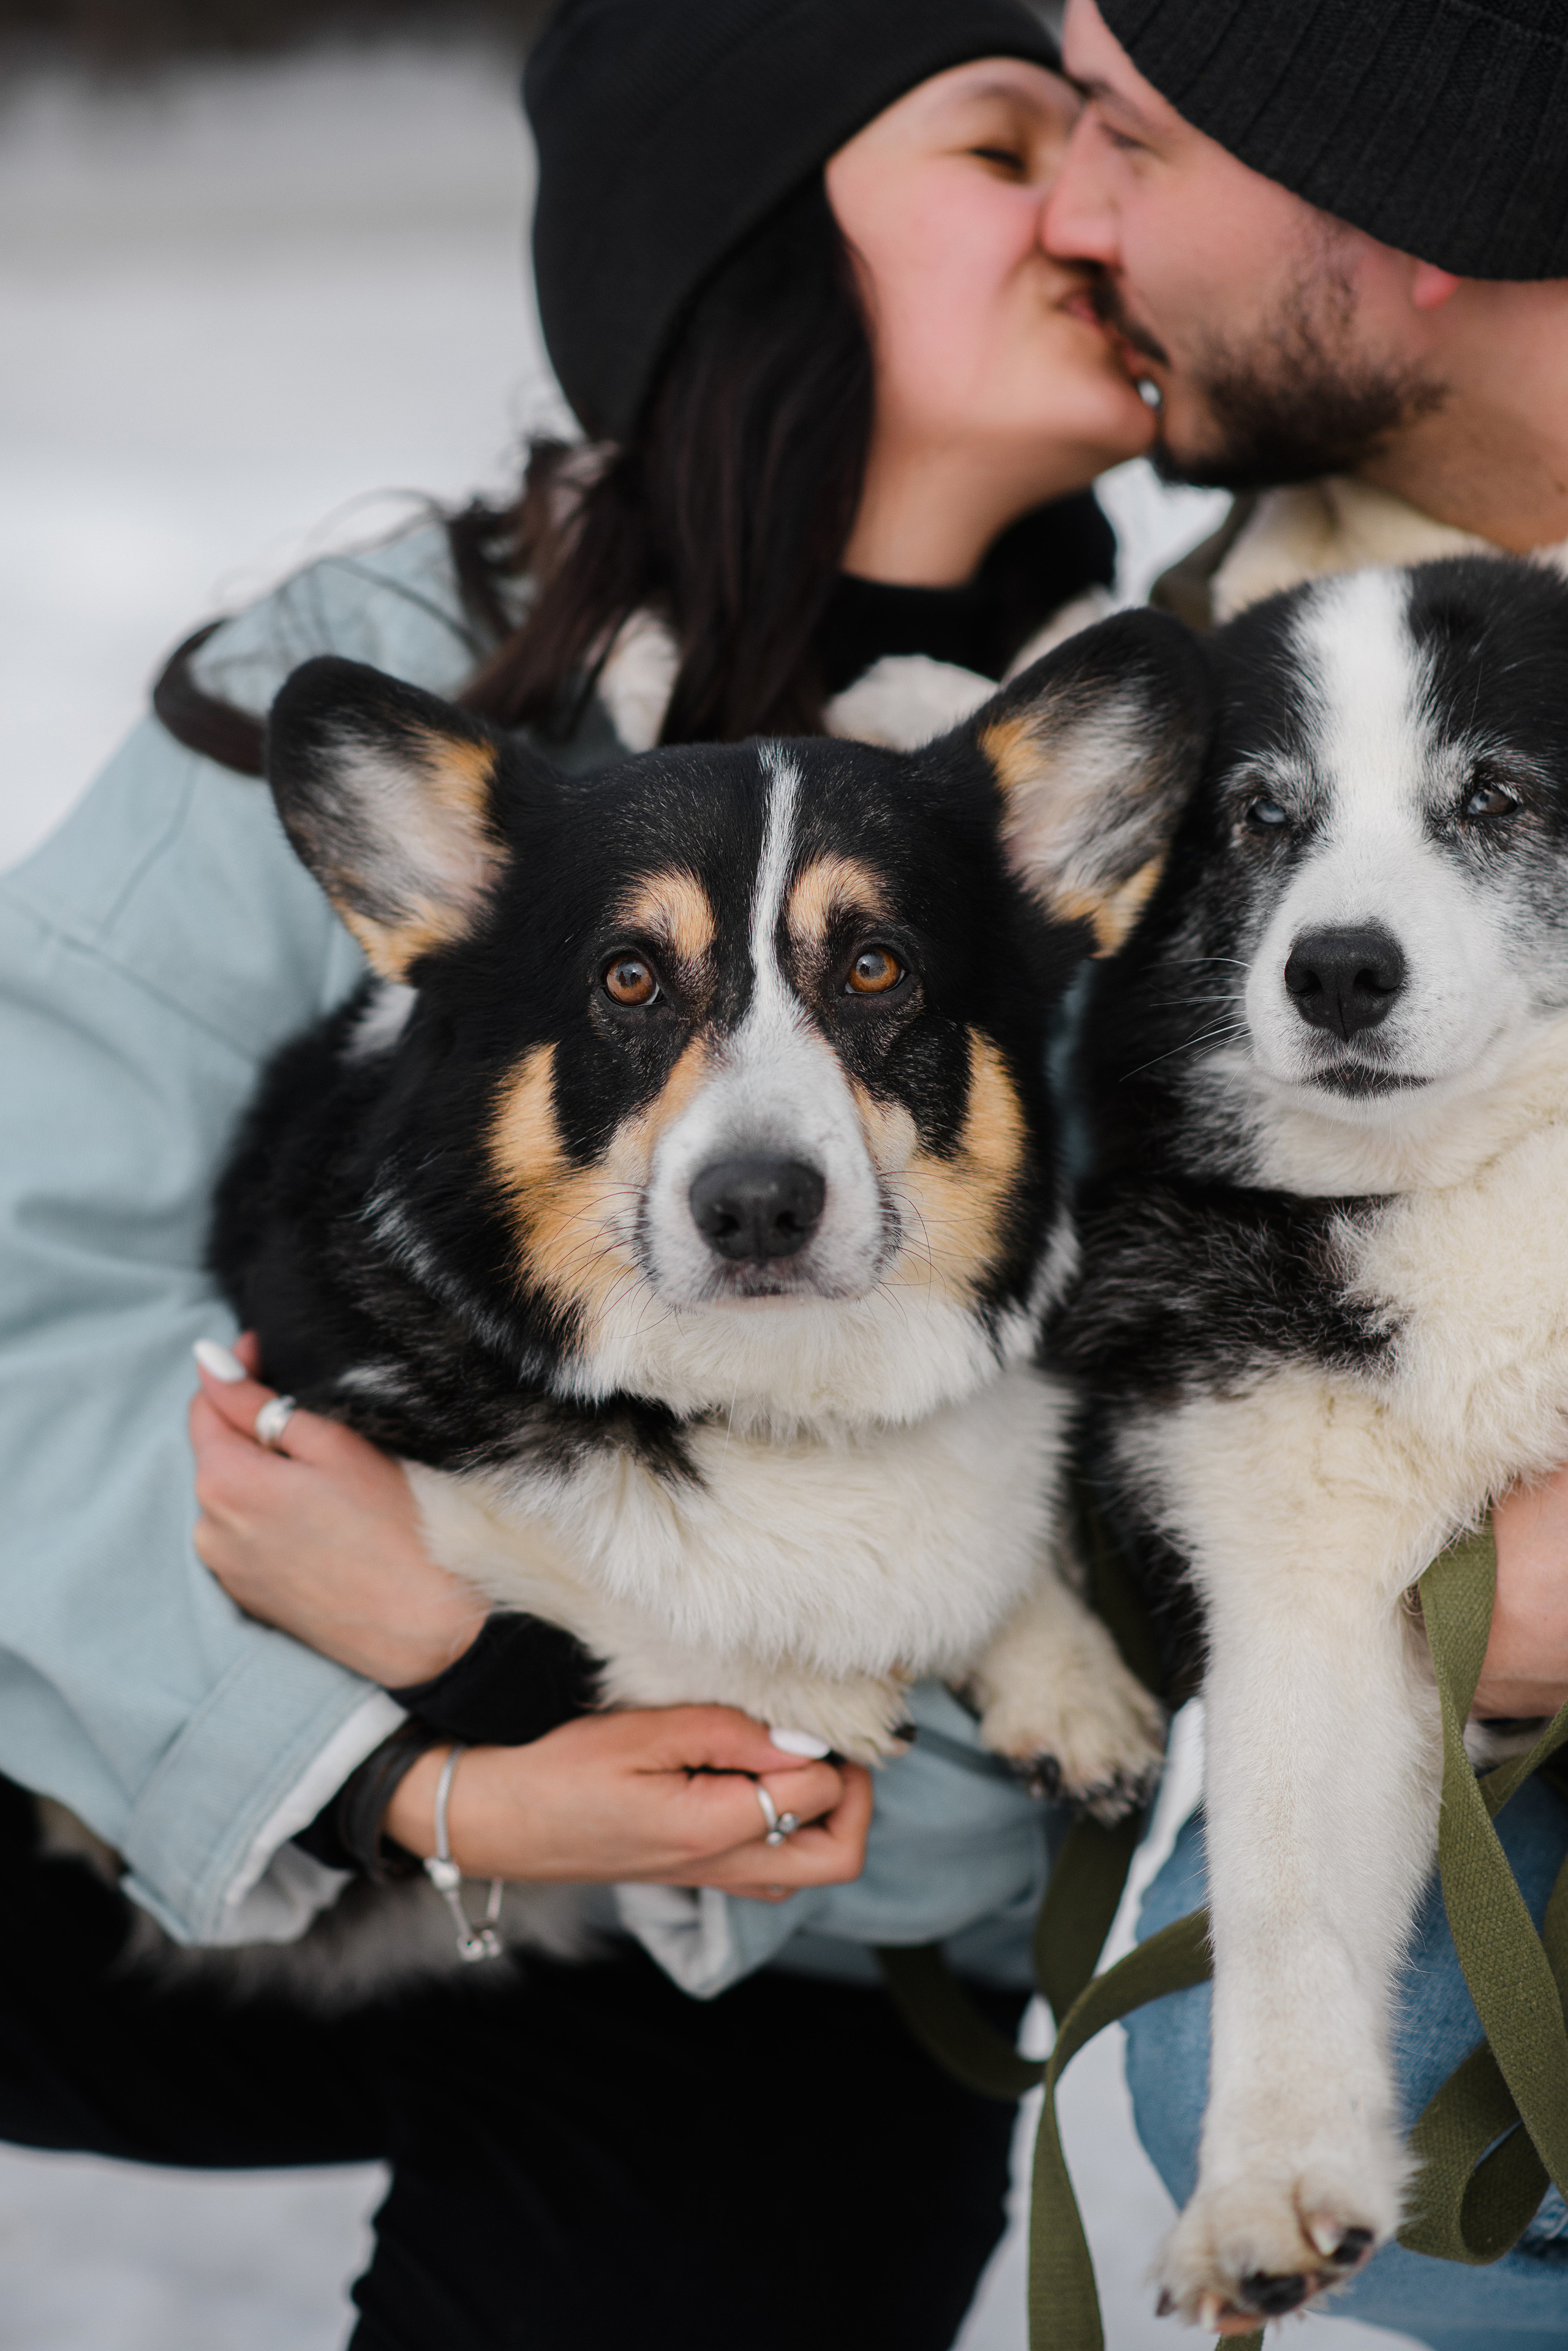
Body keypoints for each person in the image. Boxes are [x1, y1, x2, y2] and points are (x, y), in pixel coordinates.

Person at [0, 4, 1161, 2345]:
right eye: (1005, 143)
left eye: (1120, 144)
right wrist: (404, 1767)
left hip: (783, 1951)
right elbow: (21, 1295)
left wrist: (530, 1692)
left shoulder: (1158, 813)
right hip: (192, 1796)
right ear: (749, 238)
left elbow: (1073, 1708)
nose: (1101, 208)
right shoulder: (395, 664)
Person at [1038, 5, 1568, 2343]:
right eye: (1276, 836)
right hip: (1350, 1305)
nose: (1076, 214)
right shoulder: (1227, 624)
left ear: (1396, 200)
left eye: (1128, 136)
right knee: (1220, 2074)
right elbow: (1312, 1631)